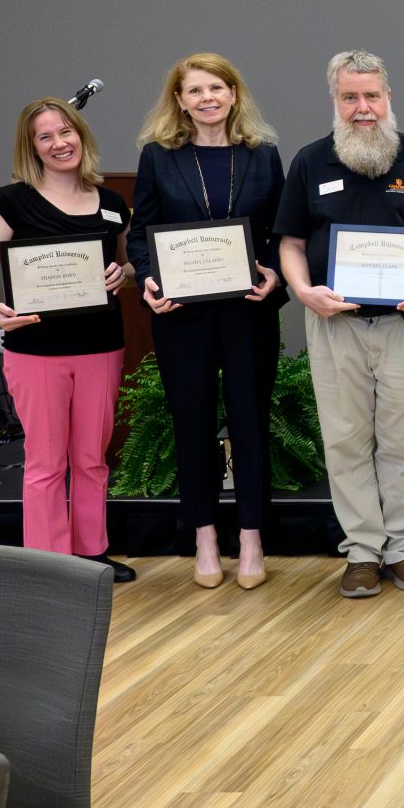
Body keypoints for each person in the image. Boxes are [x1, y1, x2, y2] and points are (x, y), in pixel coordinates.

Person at [273, 51, 404, 599]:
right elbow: (288, 240)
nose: (362, 109)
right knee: (347, 439)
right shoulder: (311, 162)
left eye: (371, 96)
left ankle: (403, 547)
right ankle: (360, 551)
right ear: (335, 101)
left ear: (388, 98)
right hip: (335, 326)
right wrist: (305, 292)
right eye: (350, 97)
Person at [130, 54, 285, 590]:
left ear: (234, 94)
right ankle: (203, 537)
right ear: (179, 101)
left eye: (216, 87)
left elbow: (284, 235)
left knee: (249, 422)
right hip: (183, 316)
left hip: (249, 311)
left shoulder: (264, 157)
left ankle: (250, 538)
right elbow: (139, 235)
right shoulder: (158, 158)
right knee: (191, 423)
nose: (207, 98)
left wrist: (276, 278)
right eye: (194, 90)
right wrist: (148, 280)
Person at [0, 98, 135, 579]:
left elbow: (126, 264)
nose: (60, 143)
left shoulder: (110, 203)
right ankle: (48, 563)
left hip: (101, 345)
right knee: (45, 461)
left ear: (81, 135)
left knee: (91, 458)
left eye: (67, 132)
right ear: (32, 147)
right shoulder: (10, 200)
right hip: (36, 350)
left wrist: (119, 273)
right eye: (46, 136)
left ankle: (91, 554)